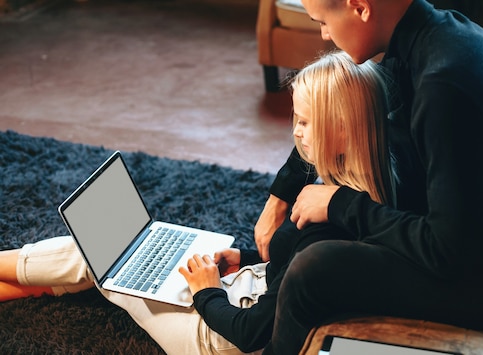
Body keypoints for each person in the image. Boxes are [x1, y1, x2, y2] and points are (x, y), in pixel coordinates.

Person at [255, 0, 483, 354]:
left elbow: (447, 253)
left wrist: (342, 204)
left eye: (323, 21)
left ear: (359, 7)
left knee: (313, 271)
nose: (324, 33)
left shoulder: (443, 82)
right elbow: (339, 111)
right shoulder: (427, 35)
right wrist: (279, 197)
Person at [0, 51, 394, 355]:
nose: (295, 132)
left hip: (220, 338)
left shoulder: (327, 232)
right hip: (247, 285)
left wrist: (207, 292)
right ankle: (19, 282)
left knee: (108, 256)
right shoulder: (364, 191)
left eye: (306, 122)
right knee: (118, 253)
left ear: (342, 129)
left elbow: (252, 331)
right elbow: (291, 271)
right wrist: (244, 259)